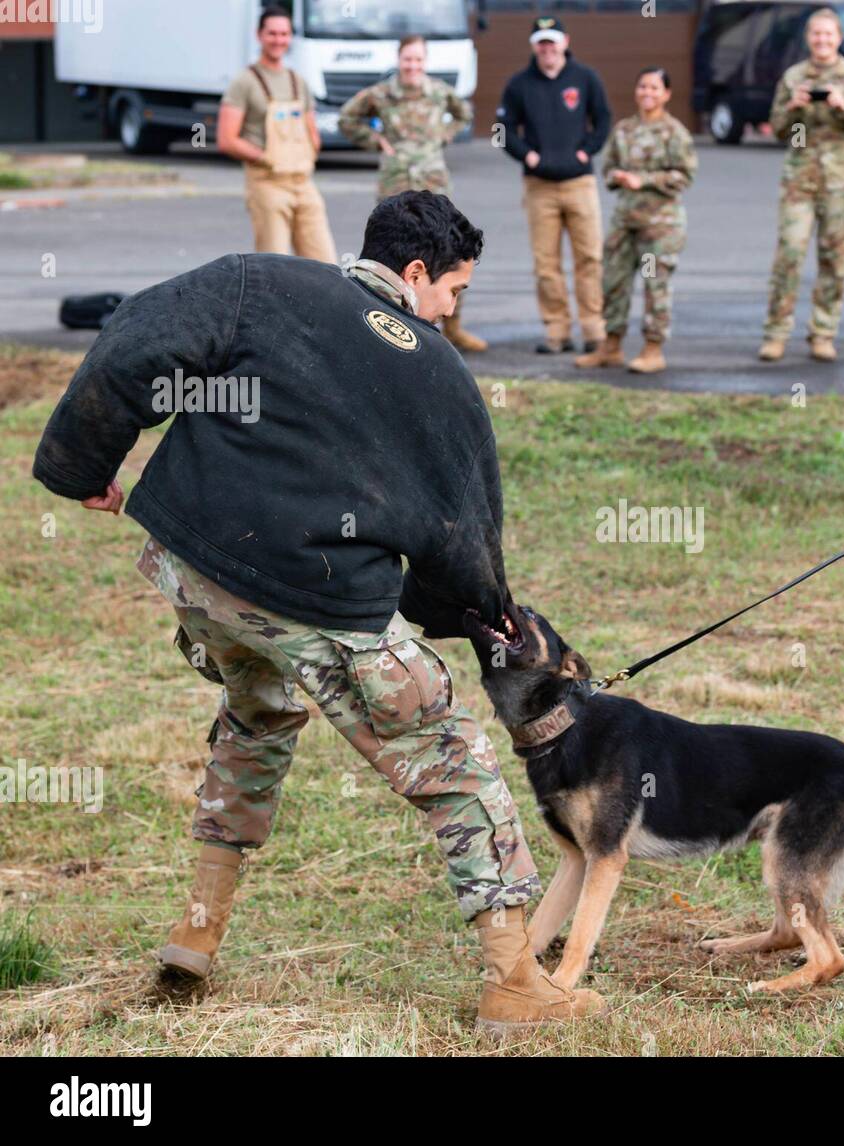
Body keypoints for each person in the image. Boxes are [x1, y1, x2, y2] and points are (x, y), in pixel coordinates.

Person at [31, 191, 604, 1035]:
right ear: (416, 274)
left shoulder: (255, 282)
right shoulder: (442, 374)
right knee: (456, 767)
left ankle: (198, 929)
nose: (452, 309)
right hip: (315, 598)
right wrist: (486, 614)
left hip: (194, 574)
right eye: (454, 290)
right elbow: (462, 533)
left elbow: (133, 344)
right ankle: (516, 984)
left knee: (257, 717)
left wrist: (83, 466)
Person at [339, 34, 487, 353]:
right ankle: (390, 325)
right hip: (396, 183)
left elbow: (464, 114)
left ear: (425, 61)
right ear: (399, 59)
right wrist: (376, 140)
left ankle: (453, 327)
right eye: (408, 59)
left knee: (450, 257)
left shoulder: (438, 92)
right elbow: (347, 118)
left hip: (435, 183)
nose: (412, 65)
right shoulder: (382, 94)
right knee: (395, 256)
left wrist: (442, 137)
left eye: (418, 59)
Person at [758, 7, 844, 364]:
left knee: (834, 260)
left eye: (828, 35)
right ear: (807, 38)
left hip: (841, 183)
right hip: (799, 180)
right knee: (789, 255)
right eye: (816, 34)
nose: (822, 41)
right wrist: (794, 106)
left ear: (839, 38)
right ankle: (776, 333)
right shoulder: (794, 76)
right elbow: (777, 128)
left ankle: (823, 333)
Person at [498, 16, 612, 355]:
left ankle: (594, 329)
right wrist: (528, 156)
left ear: (565, 42)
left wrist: (586, 150)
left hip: (580, 183)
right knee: (546, 263)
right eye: (541, 42)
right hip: (539, 186)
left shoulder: (586, 77)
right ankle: (557, 330)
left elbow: (603, 118)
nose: (547, 48)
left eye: (553, 41)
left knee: (589, 257)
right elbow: (503, 129)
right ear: (534, 46)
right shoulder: (519, 84)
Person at [575, 66, 697, 375]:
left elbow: (685, 175)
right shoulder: (625, 129)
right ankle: (611, 345)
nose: (648, 93)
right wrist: (617, 176)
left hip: (661, 224)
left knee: (655, 285)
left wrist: (643, 180)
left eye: (655, 88)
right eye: (643, 87)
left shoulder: (674, 132)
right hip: (625, 220)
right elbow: (609, 166)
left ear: (667, 94)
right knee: (613, 282)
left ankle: (653, 349)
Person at [217, 5, 337, 262]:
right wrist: (265, 158)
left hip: (304, 184)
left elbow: (311, 129)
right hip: (268, 185)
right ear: (259, 35)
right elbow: (226, 138)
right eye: (272, 33)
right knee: (274, 265)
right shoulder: (244, 82)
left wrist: (309, 152)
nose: (278, 40)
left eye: (284, 34)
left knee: (327, 266)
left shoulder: (298, 81)